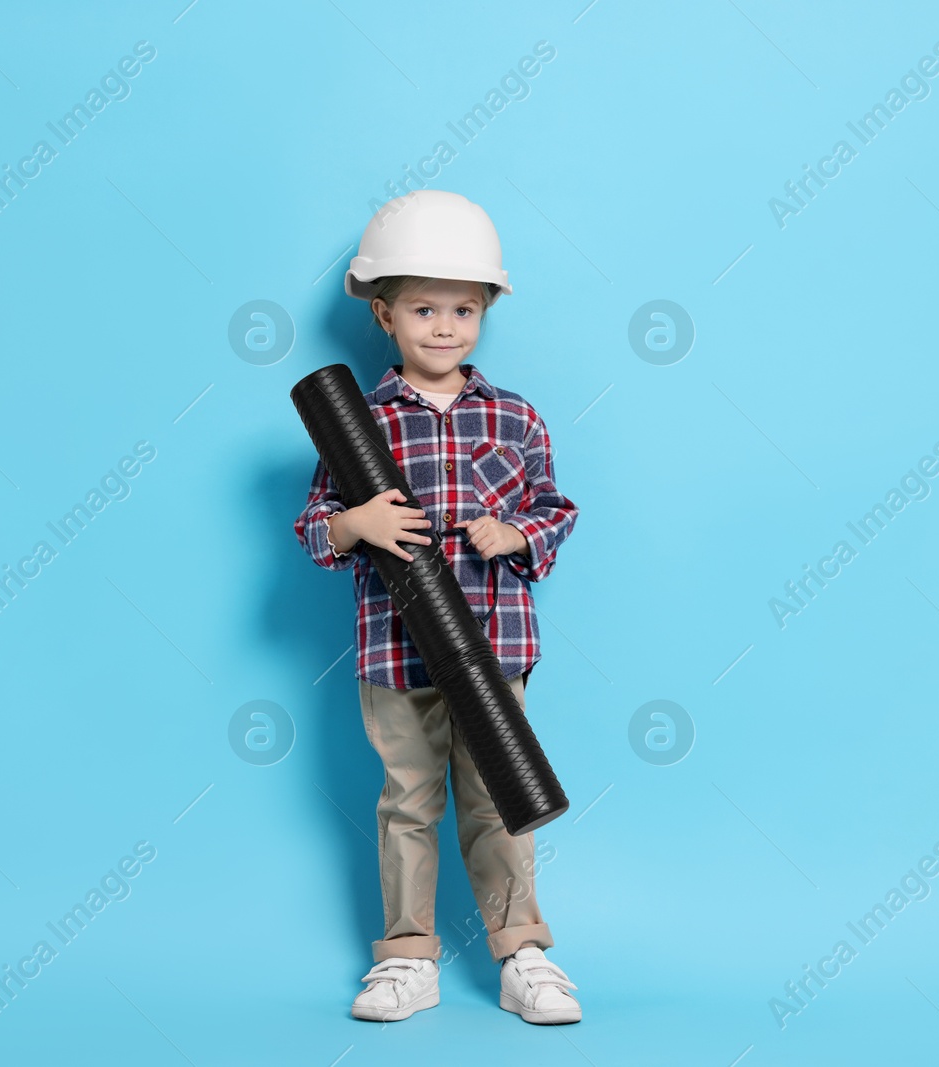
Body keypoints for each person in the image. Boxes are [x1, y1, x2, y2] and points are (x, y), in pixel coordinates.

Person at [292, 189, 582, 1025]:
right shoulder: (362, 422)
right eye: (423, 308)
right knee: (407, 800)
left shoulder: (515, 415)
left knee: (499, 799)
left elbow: (556, 509)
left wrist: (514, 533)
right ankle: (407, 956)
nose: (445, 326)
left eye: (463, 308)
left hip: (493, 645)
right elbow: (313, 527)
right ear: (383, 314)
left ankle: (521, 949)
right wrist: (357, 522)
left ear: (486, 308)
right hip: (396, 652)